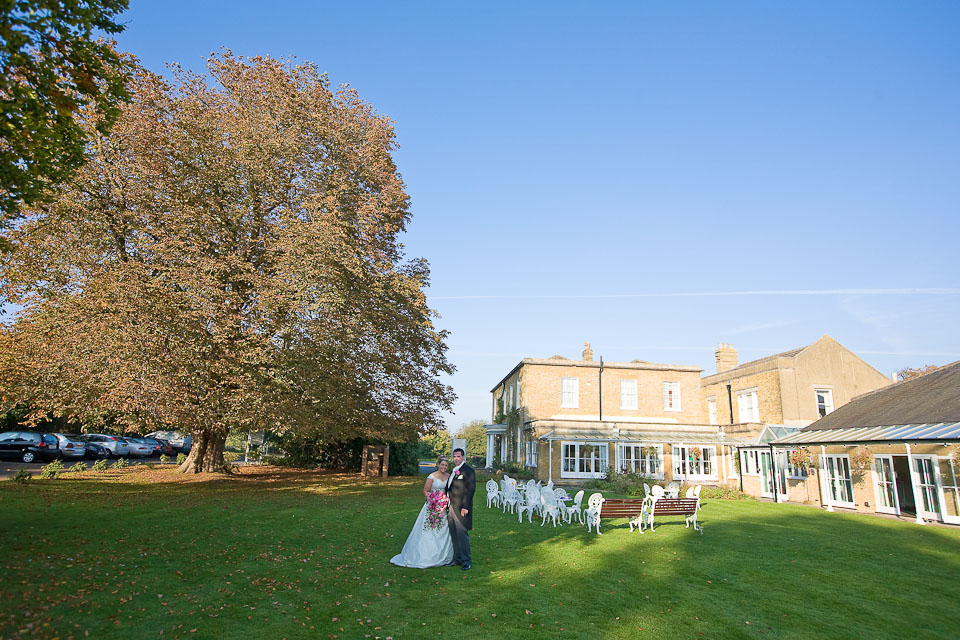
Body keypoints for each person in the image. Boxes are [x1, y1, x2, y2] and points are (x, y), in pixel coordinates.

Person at [390, 456, 455, 568]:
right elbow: (426, 490)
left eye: (446, 465)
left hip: (444, 507)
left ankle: (444, 555)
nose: (444, 467)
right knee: (429, 529)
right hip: (432, 505)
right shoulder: (431, 476)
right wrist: (433, 500)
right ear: (438, 465)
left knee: (443, 529)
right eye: (442, 465)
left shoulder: (449, 476)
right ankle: (426, 555)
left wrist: (445, 501)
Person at [445, 447, 476, 570]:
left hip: (461, 507)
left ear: (463, 457)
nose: (456, 459)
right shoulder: (454, 471)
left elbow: (470, 490)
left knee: (462, 534)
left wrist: (465, 507)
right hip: (450, 507)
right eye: (454, 456)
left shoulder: (468, 471)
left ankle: (466, 561)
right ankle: (457, 559)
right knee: (454, 534)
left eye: (458, 456)